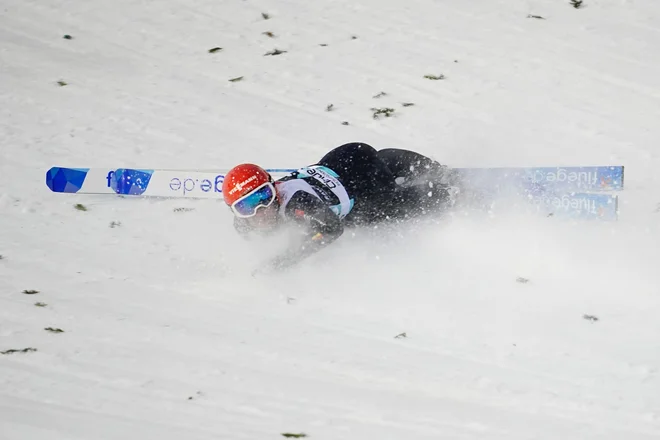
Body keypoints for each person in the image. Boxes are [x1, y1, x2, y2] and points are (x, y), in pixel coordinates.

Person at [222, 142, 455, 272]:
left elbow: (332, 229)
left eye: (264, 196)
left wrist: (283, 261)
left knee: (388, 206)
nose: (260, 211)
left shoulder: (297, 202)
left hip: (361, 182)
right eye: (246, 207)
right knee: (382, 160)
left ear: (274, 189)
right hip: (343, 160)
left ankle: (448, 193)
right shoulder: (243, 226)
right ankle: (416, 169)